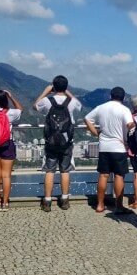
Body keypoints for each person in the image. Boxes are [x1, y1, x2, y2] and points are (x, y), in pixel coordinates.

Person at [33, 75, 82, 212]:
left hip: (51, 142)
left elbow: (35, 106)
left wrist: (45, 92)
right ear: (66, 87)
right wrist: (67, 92)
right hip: (66, 142)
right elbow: (79, 105)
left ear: (53, 86)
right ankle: (65, 200)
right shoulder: (71, 102)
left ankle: (47, 201)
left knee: (49, 170)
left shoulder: (47, 101)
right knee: (65, 170)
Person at [84, 87, 135, 214]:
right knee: (119, 176)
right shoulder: (124, 110)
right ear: (123, 98)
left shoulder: (101, 107)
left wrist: (96, 133)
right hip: (119, 147)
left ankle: (100, 205)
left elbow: (87, 119)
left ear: (110, 96)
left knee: (103, 175)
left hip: (104, 146)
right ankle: (119, 206)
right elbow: (130, 125)